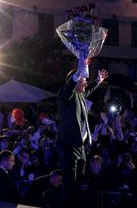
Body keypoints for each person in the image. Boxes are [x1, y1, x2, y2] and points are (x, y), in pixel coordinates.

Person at [57, 59, 108, 207]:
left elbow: (89, 89)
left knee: (80, 180)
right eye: (83, 80)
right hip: (68, 146)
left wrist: (98, 81)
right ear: (75, 83)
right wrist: (78, 72)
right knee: (69, 182)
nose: (86, 83)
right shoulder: (65, 96)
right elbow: (70, 87)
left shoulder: (79, 95)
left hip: (80, 147)